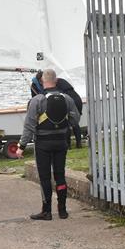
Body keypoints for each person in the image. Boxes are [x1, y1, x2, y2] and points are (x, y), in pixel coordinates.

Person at [16, 68, 80, 220]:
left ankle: (46, 211)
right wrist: (65, 126)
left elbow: (29, 126)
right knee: (60, 176)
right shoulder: (67, 99)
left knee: (45, 178)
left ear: (42, 82)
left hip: (43, 145)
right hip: (61, 143)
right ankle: (63, 210)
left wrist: (21, 146)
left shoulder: (37, 100)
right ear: (56, 81)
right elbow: (75, 119)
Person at [31, 70, 84, 148]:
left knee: (66, 123)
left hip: (70, 100)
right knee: (73, 123)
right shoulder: (55, 81)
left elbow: (56, 95)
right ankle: (77, 144)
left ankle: (69, 144)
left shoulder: (55, 82)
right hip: (74, 99)